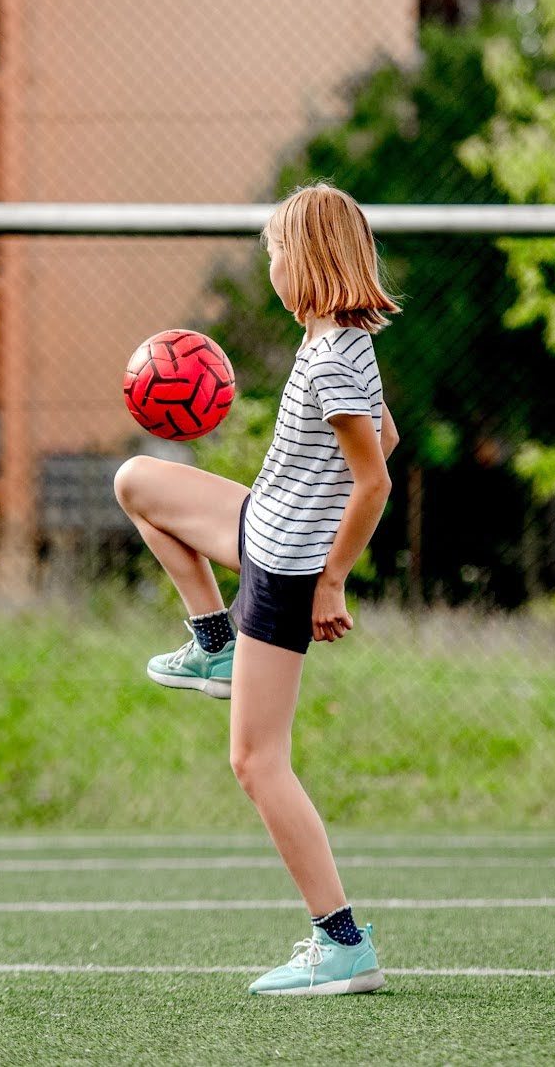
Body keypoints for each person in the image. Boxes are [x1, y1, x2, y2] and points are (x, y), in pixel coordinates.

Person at [114, 182, 399, 995]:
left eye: (275, 250)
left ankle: (341, 943)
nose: (269, 264)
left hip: (283, 572)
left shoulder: (336, 357)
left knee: (256, 760)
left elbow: (373, 478)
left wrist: (331, 579)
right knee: (138, 480)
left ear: (304, 259)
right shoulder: (334, 342)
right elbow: (392, 432)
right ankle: (213, 644)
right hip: (260, 522)